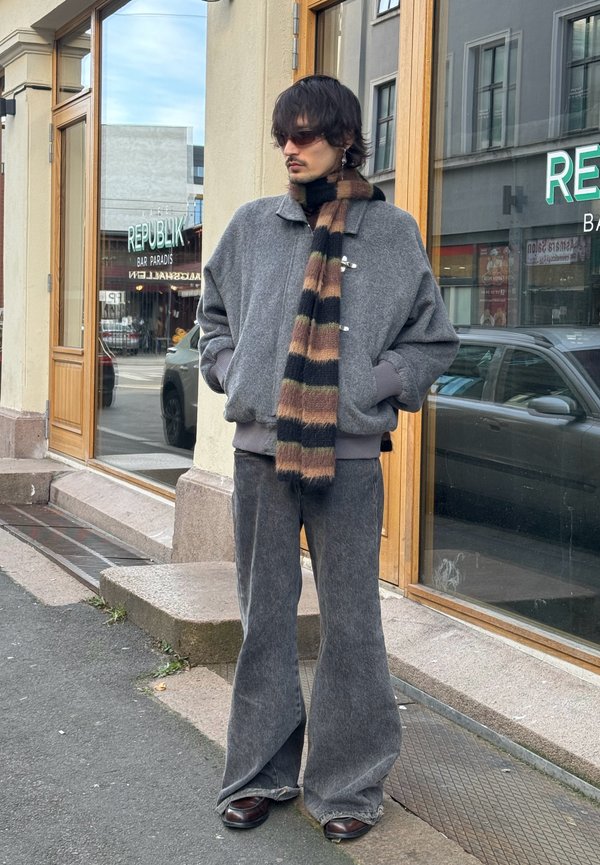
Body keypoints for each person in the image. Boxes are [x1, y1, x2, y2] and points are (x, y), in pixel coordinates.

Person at [198, 74, 459, 843]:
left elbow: (432, 339)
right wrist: (233, 369)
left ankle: (346, 782)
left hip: (347, 462)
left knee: (353, 625)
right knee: (265, 620)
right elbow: (210, 316)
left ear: (345, 139)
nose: (290, 147)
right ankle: (258, 773)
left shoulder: (392, 233)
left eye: (305, 134)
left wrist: (371, 387)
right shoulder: (252, 227)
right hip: (259, 455)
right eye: (284, 134)